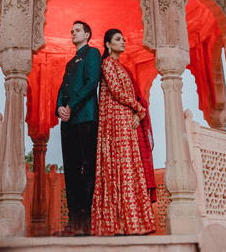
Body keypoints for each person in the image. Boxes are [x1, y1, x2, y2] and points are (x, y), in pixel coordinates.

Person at [91, 28, 156, 236]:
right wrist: (139, 108)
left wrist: (137, 114)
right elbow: (117, 91)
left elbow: (125, 94)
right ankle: (117, 223)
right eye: (118, 39)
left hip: (126, 122)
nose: (123, 42)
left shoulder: (121, 67)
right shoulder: (108, 64)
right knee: (119, 167)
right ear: (108, 44)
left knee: (129, 167)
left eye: (124, 38)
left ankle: (133, 223)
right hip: (114, 124)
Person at [55, 20, 102, 236]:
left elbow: (91, 83)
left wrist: (71, 106)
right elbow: (62, 89)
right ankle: (74, 223)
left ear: (87, 34)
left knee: (88, 168)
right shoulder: (69, 63)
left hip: (85, 118)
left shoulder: (92, 54)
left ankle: (89, 223)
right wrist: (59, 109)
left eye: (77, 30)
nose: (73, 33)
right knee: (71, 171)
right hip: (69, 121)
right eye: (71, 30)